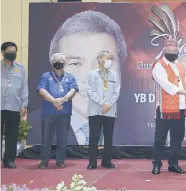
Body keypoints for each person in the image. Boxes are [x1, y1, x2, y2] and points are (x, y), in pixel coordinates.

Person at [27, 10, 127, 145]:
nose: (89, 76)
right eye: (75, 63)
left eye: (102, 62)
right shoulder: (33, 128)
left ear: (121, 68)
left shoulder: (139, 129)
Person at [151, 38, 186, 175]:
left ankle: (173, 164)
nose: (172, 53)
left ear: (178, 51)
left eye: (174, 51)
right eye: (169, 51)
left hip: (180, 108)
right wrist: (183, 91)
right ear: (164, 51)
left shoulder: (180, 65)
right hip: (164, 109)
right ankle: (156, 164)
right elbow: (166, 85)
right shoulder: (159, 66)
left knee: (177, 137)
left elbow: (183, 80)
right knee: (160, 138)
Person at [36, 53, 78, 168]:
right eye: (56, 60)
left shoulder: (70, 77)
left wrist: (64, 99)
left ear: (64, 63)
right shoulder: (46, 76)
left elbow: (73, 90)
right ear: (51, 62)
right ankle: (44, 161)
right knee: (46, 138)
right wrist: (54, 101)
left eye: (60, 60)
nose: (58, 62)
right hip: (48, 113)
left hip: (64, 113)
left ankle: (60, 161)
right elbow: (41, 90)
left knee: (62, 138)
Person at [86, 51, 120, 170]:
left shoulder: (114, 75)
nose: (109, 60)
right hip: (95, 110)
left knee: (108, 137)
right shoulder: (92, 74)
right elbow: (90, 91)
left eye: (110, 58)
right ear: (100, 59)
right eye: (107, 58)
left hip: (110, 111)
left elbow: (117, 91)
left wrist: (109, 104)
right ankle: (92, 162)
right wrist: (102, 103)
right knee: (94, 136)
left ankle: (107, 161)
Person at [1, 42, 28, 169]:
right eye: (9, 51)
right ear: (2, 52)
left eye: (14, 51)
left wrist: (24, 104)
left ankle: (9, 160)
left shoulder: (20, 68)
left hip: (14, 106)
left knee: (12, 134)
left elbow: (24, 87)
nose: (12, 53)